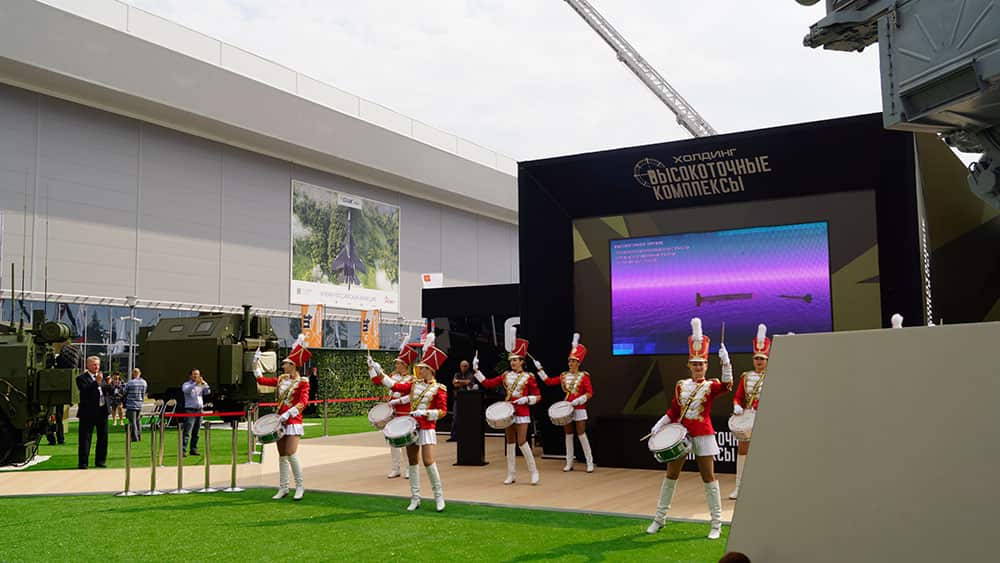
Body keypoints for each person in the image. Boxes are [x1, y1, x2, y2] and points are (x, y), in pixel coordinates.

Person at [647, 318, 733, 539]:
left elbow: (727, 386)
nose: (698, 367)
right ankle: (659, 518)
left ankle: (716, 523)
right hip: (681, 434)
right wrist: (659, 425)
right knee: (671, 475)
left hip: (703, 434)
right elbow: (674, 410)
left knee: (708, 477)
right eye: (694, 364)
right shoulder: (681, 385)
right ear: (689, 365)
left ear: (706, 365)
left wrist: (726, 363)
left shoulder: (711, 386)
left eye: (701, 364)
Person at [371, 333, 448, 511]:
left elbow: (443, 411)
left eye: (423, 368)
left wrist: (426, 413)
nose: (419, 371)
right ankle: (415, 498)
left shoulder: (439, 388)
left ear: (430, 370)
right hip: (412, 426)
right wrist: (379, 371)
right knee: (412, 462)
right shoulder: (414, 384)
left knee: (428, 461)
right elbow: (395, 386)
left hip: (427, 427)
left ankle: (439, 496)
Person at [473, 331, 542, 485]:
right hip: (508, 410)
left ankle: (534, 471)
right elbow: (488, 384)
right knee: (510, 442)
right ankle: (511, 474)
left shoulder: (529, 377)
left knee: (522, 441)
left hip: (522, 411)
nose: (513, 363)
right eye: (511, 360)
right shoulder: (505, 375)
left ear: (522, 361)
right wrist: (477, 371)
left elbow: (538, 396)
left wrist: (527, 399)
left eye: (515, 360)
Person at [254, 335, 311, 500]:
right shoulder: (281, 379)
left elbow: (303, 402)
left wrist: (288, 413)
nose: (283, 365)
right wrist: (255, 363)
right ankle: (283, 487)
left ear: (292, 365)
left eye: (286, 363)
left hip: (292, 421)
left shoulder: (303, 382)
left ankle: (300, 486)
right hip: (280, 421)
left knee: (291, 453)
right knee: (282, 455)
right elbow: (262, 380)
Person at [539, 333, 595, 473]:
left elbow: (589, 393)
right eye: (569, 361)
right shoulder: (564, 376)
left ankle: (589, 461)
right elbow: (549, 382)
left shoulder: (584, 376)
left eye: (573, 361)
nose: (570, 363)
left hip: (580, 407)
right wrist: (540, 370)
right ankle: (569, 462)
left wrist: (579, 400)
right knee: (568, 435)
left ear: (578, 363)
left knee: (581, 434)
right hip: (567, 408)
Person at [729, 324, 770, 500]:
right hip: (748, 420)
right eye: (756, 358)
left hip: (767, 419)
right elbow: (738, 397)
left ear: (767, 360)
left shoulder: (774, 376)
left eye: (762, 358)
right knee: (743, 450)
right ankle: (739, 487)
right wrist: (736, 406)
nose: (759, 361)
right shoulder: (746, 377)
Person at [370, 340, 420, 478]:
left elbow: (410, 396)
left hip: (405, 413)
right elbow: (376, 381)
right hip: (393, 413)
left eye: (398, 363)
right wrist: (371, 368)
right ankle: (395, 468)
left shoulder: (412, 379)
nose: (396, 365)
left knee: (406, 443)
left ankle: (409, 468)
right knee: (393, 442)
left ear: (404, 365)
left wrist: (397, 401)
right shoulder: (393, 376)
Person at [76, 356, 110, 469]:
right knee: (85, 438)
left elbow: (105, 391)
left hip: (102, 411)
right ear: (88, 365)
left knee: (103, 438)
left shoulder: (101, 377)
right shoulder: (81, 378)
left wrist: (109, 385)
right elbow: (85, 391)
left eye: (98, 365)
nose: (97, 367)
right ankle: (83, 463)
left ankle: (100, 461)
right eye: (94, 365)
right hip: (88, 413)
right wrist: (96, 382)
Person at [180, 368, 210, 456]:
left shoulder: (200, 384)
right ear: (190, 375)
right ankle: (183, 450)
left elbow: (207, 392)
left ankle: (193, 449)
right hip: (190, 410)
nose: (196, 376)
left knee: (196, 432)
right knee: (187, 431)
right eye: (194, 374)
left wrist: (204, 384)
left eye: (197, 374)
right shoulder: (186, 384)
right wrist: (195, 384)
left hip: (199, 410)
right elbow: (186, 391)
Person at [449, 359, 480, 442]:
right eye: (462, 366)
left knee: (467, 418)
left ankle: (466, 435)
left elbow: (468, 382)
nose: (464, 367)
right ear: (460, 366)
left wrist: (458, 381)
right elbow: (454, 384)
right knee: (455, 417)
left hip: (467, 399)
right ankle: (453, 436)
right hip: (457, 398)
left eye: (465, 366)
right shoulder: (457, 374)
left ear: (468, 366)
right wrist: (463, 382)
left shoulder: (470, 374)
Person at [124, 368, 147, 442]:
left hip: (131, 404)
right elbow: (144, 393)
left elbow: (124, 391)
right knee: (138, 421)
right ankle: (139, 436)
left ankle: (134, 437)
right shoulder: (144, 382)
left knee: (132, 421)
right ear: (140, 373)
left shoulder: (130, 382)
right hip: (139, 404)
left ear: (133, 373)